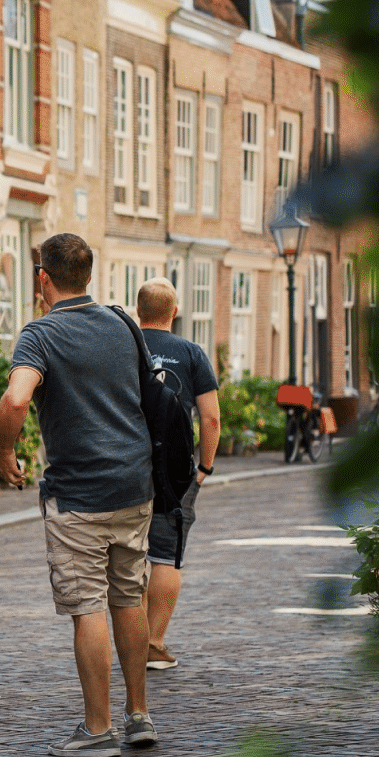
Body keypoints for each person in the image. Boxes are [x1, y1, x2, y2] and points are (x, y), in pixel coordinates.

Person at [0, 233, 158, 757]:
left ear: (43, 277)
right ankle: (139, 716)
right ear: (88, 274)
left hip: (78, 495)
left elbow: (17, 397)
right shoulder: (123, 323)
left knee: (87, 607)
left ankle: (97, 730)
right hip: (135, 486)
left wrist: (3, 454)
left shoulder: (41, 334)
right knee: (128, 596)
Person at [135, 278, 221, 671]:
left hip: (128, 467)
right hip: (175, 471)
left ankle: (131, 640)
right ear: (174, 311)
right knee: (166, 557)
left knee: (128, 559)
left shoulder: (125, 346)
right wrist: (204, 468)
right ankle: (153, 642)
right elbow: (211, 418)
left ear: (138, 312)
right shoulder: (191, 353)